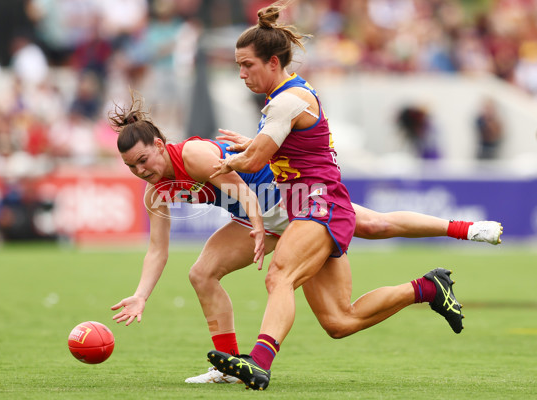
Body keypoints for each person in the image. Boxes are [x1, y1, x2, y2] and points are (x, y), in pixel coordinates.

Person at [107, 93, 503, 385]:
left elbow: (243, 192)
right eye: (131, 167)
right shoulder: (156, 191)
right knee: (202, 274)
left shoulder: (191, 154)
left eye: (144, 160)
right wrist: (141, 294)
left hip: (293, 204)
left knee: (372, 231)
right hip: (261, 219)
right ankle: (227, 365)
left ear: (160, 145)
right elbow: (157, 250)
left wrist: (261, 226)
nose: (142, 171)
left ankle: (462, 236)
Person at [204, 2, 491, 390]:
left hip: (317, 203)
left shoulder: (288, 100)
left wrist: (220, 164)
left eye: (247, 65)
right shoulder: (284, 100)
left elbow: (257, 158)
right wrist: (251, 147)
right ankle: (427, 287)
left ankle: (258, 362)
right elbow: (271, 151)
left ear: (273, 62)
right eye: (238, 66)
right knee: (341, 321)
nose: (241, 74)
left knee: (280, 276)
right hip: (309, 205)